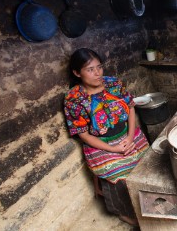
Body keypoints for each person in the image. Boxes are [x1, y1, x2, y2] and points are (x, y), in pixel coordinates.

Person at [63, 48, 149, 226]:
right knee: (117, 172)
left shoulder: (113, 84)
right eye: (90, 69)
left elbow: (131, 107)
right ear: (77, 73)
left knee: (147, 162)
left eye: (99, 67)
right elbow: (83, 135)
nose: (98, 73)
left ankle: (146, 203)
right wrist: (113, 149)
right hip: (100, 145)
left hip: (127, 135)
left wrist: (131, 137)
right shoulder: (74, 99)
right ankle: (123, 211)